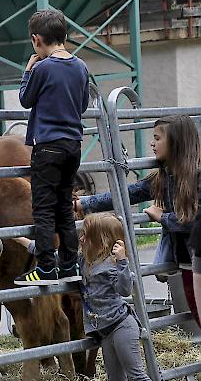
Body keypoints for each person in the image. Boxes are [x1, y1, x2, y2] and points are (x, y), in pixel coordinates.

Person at [14, 213, 170, 381]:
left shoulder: (113, 264)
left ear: (101, 239)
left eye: (85, 235)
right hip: (104, 333)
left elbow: (124, 290)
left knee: (138, 377)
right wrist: (17, 237)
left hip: (122, 327)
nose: (80, 238)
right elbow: (51, 256)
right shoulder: (83, 259)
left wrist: (123, 262)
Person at [75, 114, 201, 326]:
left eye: (158, 138)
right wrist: (85, 203)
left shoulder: (197, 176)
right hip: (189, 262)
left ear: (177, 142)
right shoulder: (164, 177)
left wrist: (163, 217)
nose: (152, 143)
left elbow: (196, 221)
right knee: (198, 316)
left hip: (196, 255)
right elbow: (128, 192)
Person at [14, 9, 90, 286]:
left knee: (44, 210)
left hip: (47, 147)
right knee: (64, 208)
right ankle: (69, 266)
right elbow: (82, 105)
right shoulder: (80, 66)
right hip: (73, 146)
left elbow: (25, 99)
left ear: (36, 40)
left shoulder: (42, 68)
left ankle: (46, 268)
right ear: (64, 36)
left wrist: (28, 70)